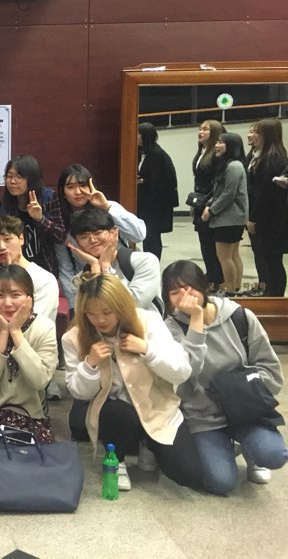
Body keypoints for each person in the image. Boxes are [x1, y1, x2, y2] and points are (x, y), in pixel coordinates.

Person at [63, 273, 199, 491]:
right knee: (116, 412)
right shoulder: (74, 337)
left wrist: (147, 350)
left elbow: (182, 372)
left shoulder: (148, 322)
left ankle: (147, 444)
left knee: (187, 473)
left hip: (156, 408)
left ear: (122, 306)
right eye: (91, 313)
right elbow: (80, 393)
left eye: (107, 312)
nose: (100, 320)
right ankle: (117, 459)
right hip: (114, 412)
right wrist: (90, 364)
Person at [161, 260, 286, 494]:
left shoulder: (239, 316)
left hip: (247, 410)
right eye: (174, 292)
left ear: (204, 286)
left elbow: (271, 371)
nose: (183, 296)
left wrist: (239, 391)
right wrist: (196, 323)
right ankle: (223, 448)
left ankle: (252, 452)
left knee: (273, 454)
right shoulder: (171, 328)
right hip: (204, 417)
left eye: (188, 288)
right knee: (220, 482)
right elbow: (185, 374)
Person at [0, 265, 58, 442]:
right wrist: (3, 332)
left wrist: (15, 332)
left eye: (16, 295)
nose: (7, 303)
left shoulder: (45, 328)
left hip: (26, 413)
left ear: (29, 298)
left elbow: (40, 380)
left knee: (29, 454)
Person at [52, 164, 147, 310]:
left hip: (123, 276)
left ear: (91, 186)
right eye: (70, 187)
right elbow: (66, 269)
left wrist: (107, 206)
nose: (78, 192)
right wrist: (75, 308)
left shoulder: (108, 208)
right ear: (62, 192)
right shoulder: (61, 222)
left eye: (83, 185)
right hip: (88, 284)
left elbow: (139, 234)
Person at [68, 206, 162, 313]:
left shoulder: (145, 261)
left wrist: (106, 267)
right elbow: (88, 314)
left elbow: (133, 304)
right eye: (83, 237)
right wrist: (96, 270)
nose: (92, 240)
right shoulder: (79, 280)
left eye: (97, 233)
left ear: (113, 233)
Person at [0, 214, 60, 322]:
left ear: (21, 238)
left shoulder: (44, 279)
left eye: (7, 239)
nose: (1, 247)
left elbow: (33, 323)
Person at [0, 155, 65, 277]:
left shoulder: (48, 197)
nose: (12, 181)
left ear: (32, 178)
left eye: (19, 177)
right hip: (16, 269)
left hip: (45, 267)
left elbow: (60, 236)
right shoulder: (5, 204)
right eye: (9, 176)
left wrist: (40, 219)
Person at [202, 132, 249, 295]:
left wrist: (211, 210)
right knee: (233, 254)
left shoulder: (234, 166)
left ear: (231, 146)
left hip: (229, 218)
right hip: (232, 218)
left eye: (221, 142)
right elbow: (220, 191)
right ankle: (235, 288)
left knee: (225, 257)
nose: (216, 145)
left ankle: (230, 290)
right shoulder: (230, 165)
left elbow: (229, 194)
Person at [246, 119, 288, 296]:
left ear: (268, 136)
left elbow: (265, 194)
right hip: (260, 214)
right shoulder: (257, 155)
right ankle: (267, 290)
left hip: (270, 219)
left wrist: (253, 218)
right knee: (263, 256)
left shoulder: (273, 158)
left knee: (272, 259)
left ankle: (275, 294)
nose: (251, 135)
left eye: (257, 132)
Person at [136, 122, 179, 259]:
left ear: (145, 136)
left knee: (152, 236)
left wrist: (142, 181)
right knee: (148, 236)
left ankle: (153, 263)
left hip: (156, 204)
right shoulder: (144, 152)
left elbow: (161, 181)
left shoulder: (157, 154)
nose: (135, 136)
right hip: (147, 203)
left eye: (138, 134)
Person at [192, 120, 226, 288]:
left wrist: (209, 205)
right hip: (200, 201)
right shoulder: (202, 152)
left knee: (211, 244)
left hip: (210, 203)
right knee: (204, 242)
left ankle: (217, 278)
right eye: (200, 129)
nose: (201, 132)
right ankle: (211, 274)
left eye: (205, 129)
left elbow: (217, 184)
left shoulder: (216, 155)